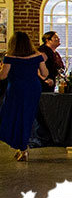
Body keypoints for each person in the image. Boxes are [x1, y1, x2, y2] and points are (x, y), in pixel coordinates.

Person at [0, 32, 48, 161]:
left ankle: (21, 147)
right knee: (27, 116)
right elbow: (45, 73)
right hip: (33, 88)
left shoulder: (9, 57)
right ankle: (22, 147)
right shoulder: (37, 56)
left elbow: (3, 76)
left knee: (12, 116)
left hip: (16, 89)